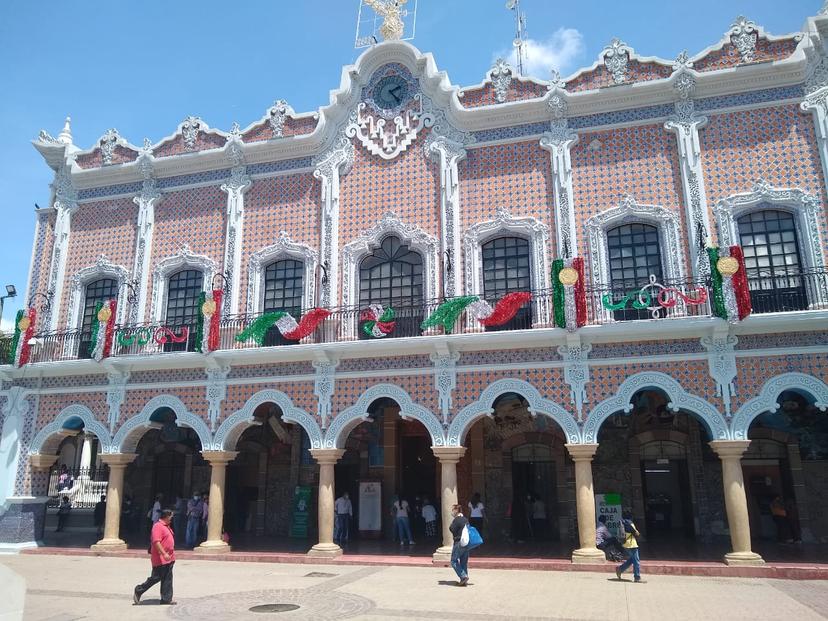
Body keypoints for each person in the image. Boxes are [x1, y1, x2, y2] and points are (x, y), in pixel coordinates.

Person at [133, 508, 176, 605]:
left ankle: (166, 599)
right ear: (166, 516)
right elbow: (156, 542)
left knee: (167, 579)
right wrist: (164, 553)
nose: (171, 519)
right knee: (156, 577)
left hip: (169, 559)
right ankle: (139, 590)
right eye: (171, 516)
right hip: (161, 559)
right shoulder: (158, 526)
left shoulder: (166, 526)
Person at [615, 511, 642, 583]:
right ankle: (637, 577)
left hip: (625, 544)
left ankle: (620, 569)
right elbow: (637, 533)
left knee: (632, 560)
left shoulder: (622, 522)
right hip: (632, 544)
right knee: (636, 561)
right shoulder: (630, 523)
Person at [449, 504, 469, 587]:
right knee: (464, 562)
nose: (451, 512)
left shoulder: (457, 520)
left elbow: (452, 529)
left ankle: (463, 576)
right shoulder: (465, 519)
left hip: (459, 543)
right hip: (466, 543)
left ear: (456, 511)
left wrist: (452, 522)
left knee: (453, 561)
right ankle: (464, 580)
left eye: (452, 510)